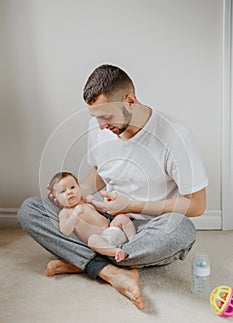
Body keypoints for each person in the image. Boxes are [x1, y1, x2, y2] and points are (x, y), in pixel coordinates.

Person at [17, 64, 208, 310]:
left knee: (181, 230)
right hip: (102, 216)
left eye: (106, 117)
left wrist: (130, 205)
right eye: (95, 117)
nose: (100, 126)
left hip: (147, 225)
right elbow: (100, 172)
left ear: (129, 101)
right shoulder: (99, 128)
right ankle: (112, 269)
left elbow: (197, 204)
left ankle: (85, 262)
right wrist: (75, 194)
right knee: (30, 210)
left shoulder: (175, 135)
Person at [48, 171, 136, 262]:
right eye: (63, 191)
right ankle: (116, 252)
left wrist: (94, 202)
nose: (69, 192)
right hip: (101, 240)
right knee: (92, 240)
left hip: (111, 228)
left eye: (73, 187)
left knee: (121, 217)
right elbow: (65, 231)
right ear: (56, 198)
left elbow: (103, 212)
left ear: (79, 189)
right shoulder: (65, 212)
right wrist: (75, 214)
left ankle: (133, 240)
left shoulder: (86, 203)